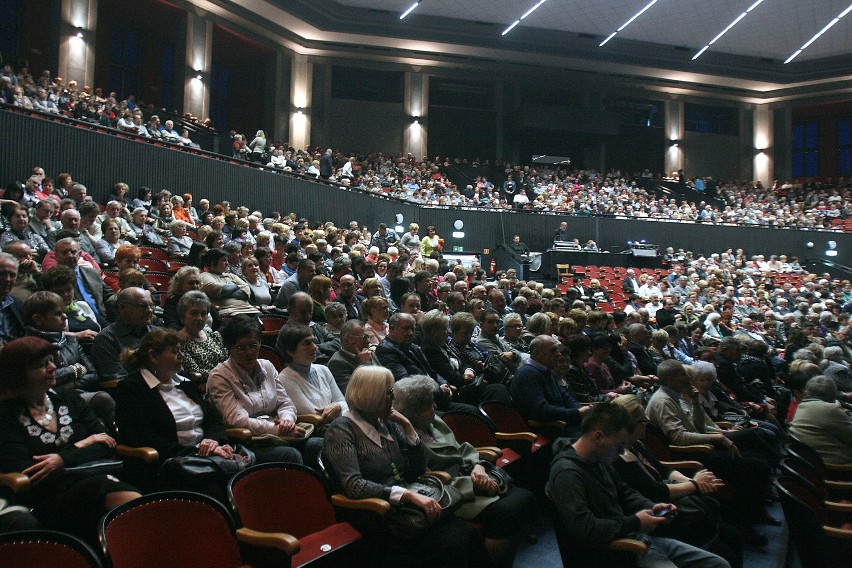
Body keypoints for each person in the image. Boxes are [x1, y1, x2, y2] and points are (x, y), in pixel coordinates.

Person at [322, 365, 489, 568]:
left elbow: (417, 469)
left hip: (409, 505)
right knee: (454, 543)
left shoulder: (387, 423)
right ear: (371, 395)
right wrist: (405, 495)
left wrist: (409, 428)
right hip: (376, 513)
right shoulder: (341, 430)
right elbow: (354, 485)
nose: (393, 398)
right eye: (388, 393)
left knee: (466, 535)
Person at [547, 402, 730, 568]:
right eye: (619, 446)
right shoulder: (567, 474)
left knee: (718, 564)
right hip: (615, 551)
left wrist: (651, 506)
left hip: (635, 538)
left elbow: (625, 493)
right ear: (598, 436)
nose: (621, 452)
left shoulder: (598, 459)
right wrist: (635, 522)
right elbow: (586, 529)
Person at [0, 337, 141, 542]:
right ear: (19, 375)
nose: (52, 367)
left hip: (85, 478)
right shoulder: (6, 415)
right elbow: (28, 470)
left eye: (51, 361)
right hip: (43, 496)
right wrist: (83, 444)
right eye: (41, 365)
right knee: (109, 490)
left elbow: (108, 443)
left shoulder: (69, 398)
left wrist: (63, 459)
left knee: (116, 492)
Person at [394, 375, 538, 568]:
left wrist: (479, 466)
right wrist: (475, 484)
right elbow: (425, 478)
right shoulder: (404, 437)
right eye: (429, 405)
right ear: (415, 411)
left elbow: (462, 449)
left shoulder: (434, 421)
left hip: (472, 474)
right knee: (507, 512)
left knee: (525, 498)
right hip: (450, 491)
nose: (435, 408)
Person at [645, 360, 775, 543]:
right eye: (684, 374)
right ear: (672, 378)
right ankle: (746, 524)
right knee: (756, 466)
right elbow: (679, 438)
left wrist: (696, 402)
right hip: (692, 455)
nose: (688, 378)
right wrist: (719, 438)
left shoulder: (676, 396)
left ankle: (754, 514)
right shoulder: (663, 400)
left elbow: (698, 427)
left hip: (700, 449)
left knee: (756, 457)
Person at [610, 395, 741, 567]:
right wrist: (694, 485)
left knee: (727, 527)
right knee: (727, 545)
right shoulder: (618, 460)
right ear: (630, 426)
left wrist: (690, 480)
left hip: (670, 500)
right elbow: (657, 492)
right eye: (643, 421)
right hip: (660, 515)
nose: (647, 424)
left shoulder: (636, 445)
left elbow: (665, 469)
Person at [205, 316, 307, 465]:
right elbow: (237, 420)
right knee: (289, 454)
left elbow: (285, 403)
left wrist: (287, 421)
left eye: (253, 345)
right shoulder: (220, 376)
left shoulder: (267, 366)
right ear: (229, 347)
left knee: (316, 444)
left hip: (278, 433)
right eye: (241, 347)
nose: (248, 353)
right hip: (247, 440)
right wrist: (277, 430)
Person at [510, 334, 589, 435]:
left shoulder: (546, 370)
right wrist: (577, 413)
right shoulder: (527, 374)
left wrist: (582, 411)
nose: (558, 354)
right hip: (549, 430)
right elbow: (542, 411)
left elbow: (566, 398)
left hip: (564, 424)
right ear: (537, 353)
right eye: (553, 351)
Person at [277, 324, 348, 429]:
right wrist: (338, 408)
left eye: (314, 342)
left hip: (338, 424)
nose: (315, 347)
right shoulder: (285, 378)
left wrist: (337, 406)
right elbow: (316, 415)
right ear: (290, 351)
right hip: (317, 430)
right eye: (307, 343)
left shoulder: (323, 369)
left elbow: (344, 402)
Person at [789, 376, 852, 465]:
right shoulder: (830, 409)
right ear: (833, 395)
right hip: (836, 465)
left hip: (809, 464)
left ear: (807, 391)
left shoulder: (800, 406)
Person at [177, 291, 228, 387]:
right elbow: (196, 373)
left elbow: (229, 362)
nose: (199, 318)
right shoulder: (178, 342)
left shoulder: (214, 336)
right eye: (194, 313)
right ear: (182, 316)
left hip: (227, 383)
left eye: (203, 313)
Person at [199, 248, 259, 317]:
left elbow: (247, 288)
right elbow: (213, 288)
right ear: (213, 262)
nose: (227, 263)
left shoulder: (231, 275)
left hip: (250, 309)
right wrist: (237, 287)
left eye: (227, 260)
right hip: (230, 311)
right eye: (224, 260)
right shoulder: (204, 276)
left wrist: (227, 292)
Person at [327, 319, 380, 393]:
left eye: (368, 337)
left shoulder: (367, 352)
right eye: (363, 338)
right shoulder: (337, 363)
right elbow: (354, 394)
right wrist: (366, 365)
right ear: (347, 341)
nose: (368, 341)